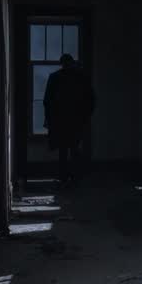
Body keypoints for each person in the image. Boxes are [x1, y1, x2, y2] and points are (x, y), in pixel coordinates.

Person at [43, 54, 96, 185]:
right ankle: (74, 176)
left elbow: (47, 101)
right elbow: (91, 99)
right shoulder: (80, 78)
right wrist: (85, 116)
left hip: (61, 120)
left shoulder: (55, 78)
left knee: (63, 150)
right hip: (76, 119)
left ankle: (64, 176)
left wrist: (49, 118)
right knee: (74, 148)